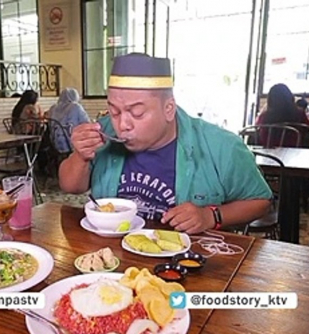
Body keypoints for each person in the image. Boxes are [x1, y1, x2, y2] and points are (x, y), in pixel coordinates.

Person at [59, 53, 271, 233]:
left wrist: (211, 216)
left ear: (168, 109)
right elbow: (70, 186)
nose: (122, 124)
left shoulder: (221, 145)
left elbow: (261, 202)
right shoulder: (103, 131)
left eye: (137, 113)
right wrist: (81, 156)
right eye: (114, 111)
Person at [47, 88, 90, 153]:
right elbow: (87, 123)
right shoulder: (76, 107)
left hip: (55, 144)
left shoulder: (53, 108)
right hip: (71, 143)